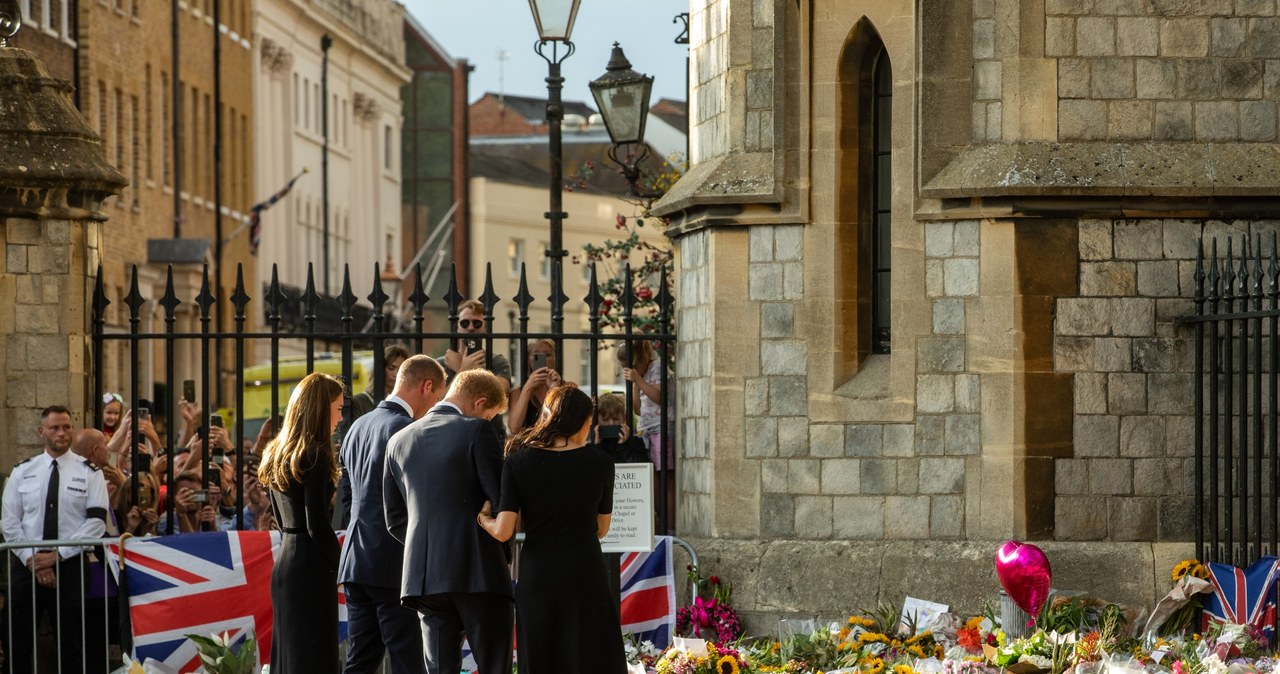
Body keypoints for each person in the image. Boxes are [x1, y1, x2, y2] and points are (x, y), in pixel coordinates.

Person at [477, 385, 626, 674]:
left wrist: (483, 518)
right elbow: (601, 528)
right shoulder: (601, 462)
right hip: (585, 570)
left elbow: (504, 530)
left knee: (542, 654)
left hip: (538, 571)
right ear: (583, 421)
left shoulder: (518, 461)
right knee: (590, 652)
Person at [383, 370, 511, 674]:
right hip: (477, 570)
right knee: (495, 665)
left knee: (440, 669)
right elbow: (501, 500)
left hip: (424, 576)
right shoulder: (478, 431)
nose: (490, 421)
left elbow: (395, 519)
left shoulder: (398, 440)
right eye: (491, 415)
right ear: (480, 403)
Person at [339, 355, 446, 674]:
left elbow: (348, 495)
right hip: (394, 563)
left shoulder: (358, 425)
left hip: (356, 560)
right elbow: (420, 500)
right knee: (407, 659)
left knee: (361, 659)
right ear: (427, 386)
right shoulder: (410, 429)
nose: (434, 407)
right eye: (438, 397)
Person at [1, 406, 110, 674]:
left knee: (72, 644)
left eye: (66, 427)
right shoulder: (22, 471)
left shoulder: (90, 473)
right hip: (26, 565)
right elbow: (9, 521)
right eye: (55, 428)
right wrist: (34, 560)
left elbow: (95, 523)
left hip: (70, 567)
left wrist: (57, 555)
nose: (62, 433)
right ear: (42, 432)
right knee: (16, 642)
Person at [257, 372, 345, 674]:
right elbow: (317, 524)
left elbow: (281, 519)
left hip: (286, 562)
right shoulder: (316, 454)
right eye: (338, 408)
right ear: (321, 409)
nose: (340, 417)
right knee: (313, 653)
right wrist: (341, 564)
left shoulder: (277, 453)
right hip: (311, 565)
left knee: (290, 654)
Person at [617, 339, 676, 527]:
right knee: (653, 481)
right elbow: (636, 409)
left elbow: (660, 397)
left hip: (662, 427)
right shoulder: (638, 378)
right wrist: (635, 385)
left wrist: (639, 380)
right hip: (647, 429)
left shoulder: (657, 367)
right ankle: (660, 523)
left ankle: (669, 526)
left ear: (642, 358)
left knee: (665, 480)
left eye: (633, 366)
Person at [438, 299, 512, 441]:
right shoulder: (441, 363)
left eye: (477, 323)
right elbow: (436, 404)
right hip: (450, 437)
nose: (471, 327)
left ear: (485, 327)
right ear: (457, 327)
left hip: (489, 437)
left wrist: (465, 369)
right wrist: (462, 370)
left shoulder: (497, 361)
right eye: (465, 323)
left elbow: (499, 395)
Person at [506, 339, 563, 436]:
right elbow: (514, 428)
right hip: (529, 448)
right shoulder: (518, 392)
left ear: (555, 359)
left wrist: (555, 391)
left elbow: (567, 425)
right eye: (536, 355)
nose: (542, 358)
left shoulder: (568, 387)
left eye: (547, 355)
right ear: (529, 359)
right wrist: (528, 387)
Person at [588, 392, 650, 464]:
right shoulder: (590, 444)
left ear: (624, 418)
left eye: (616, 419)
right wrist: (596, 446)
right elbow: (591, 469)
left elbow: (642, 468)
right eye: (605, 420)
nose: (611, 424)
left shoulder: (635, 442)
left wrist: (623, 446)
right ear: (596, 420)